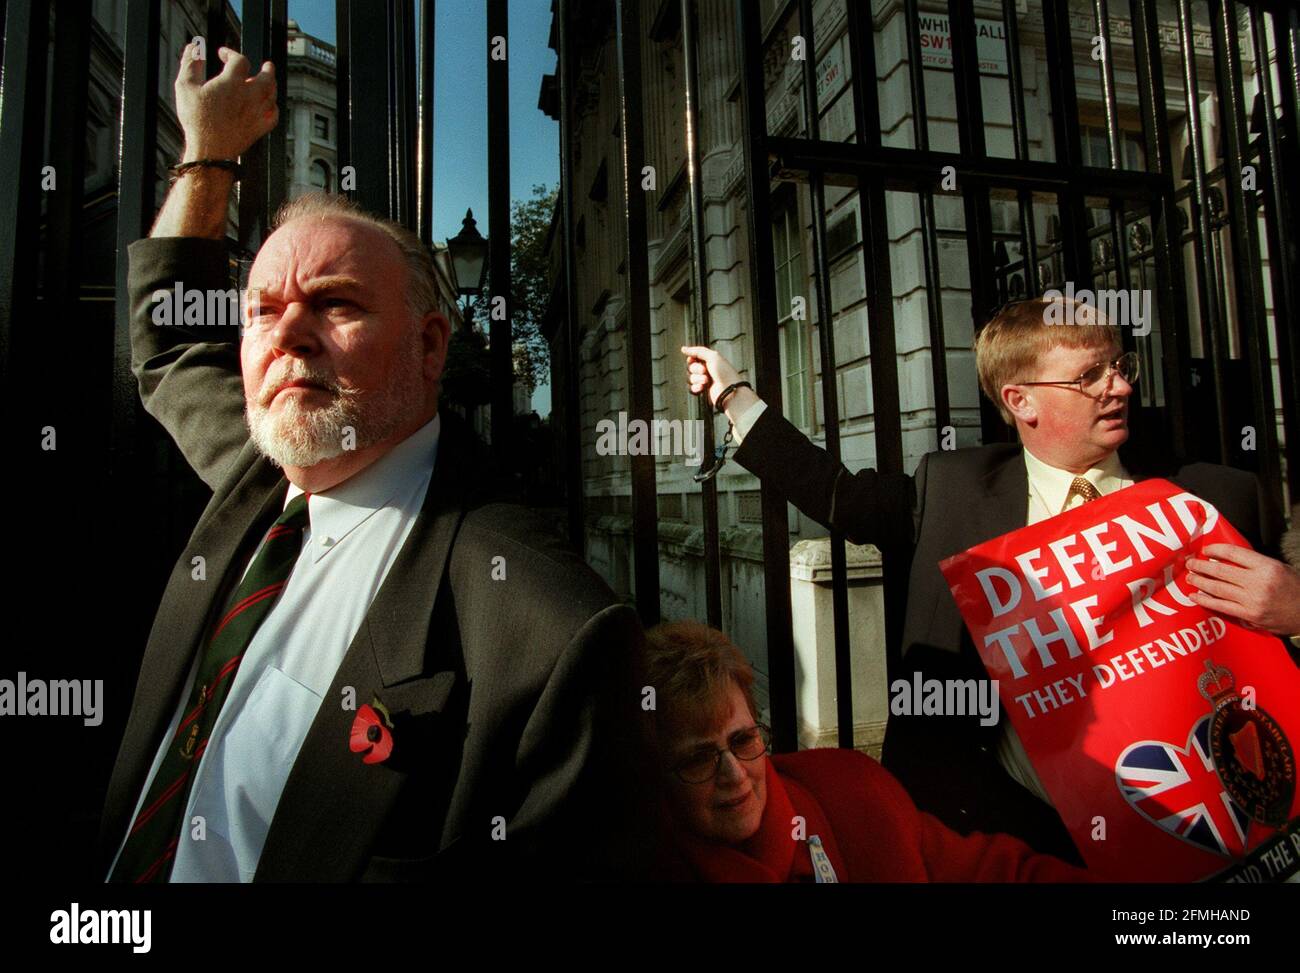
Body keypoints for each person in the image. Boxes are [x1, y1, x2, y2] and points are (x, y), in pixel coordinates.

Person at [98, 42, 647, 883]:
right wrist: (208, 157)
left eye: (335, 303)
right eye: (262, 310)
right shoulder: (262, 477)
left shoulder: (547, 630)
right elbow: (170, 345)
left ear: (430, 345)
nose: (285, 335)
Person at [681, 298, 1281, 864]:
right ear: (1021, 401)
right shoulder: (952, 491)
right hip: (1011, 830)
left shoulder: (1214, 496)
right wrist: (735, 395)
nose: (1118, 386)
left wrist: (1296, 609)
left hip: (1193, 826)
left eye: (1120, 367)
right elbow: (836, 493)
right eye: (1089, 375)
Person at [644, 621, 1089, 882]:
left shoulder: (851, 791)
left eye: (743, 741)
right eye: (700, 759)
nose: (735, 775)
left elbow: (996, 873)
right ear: (655, 771)